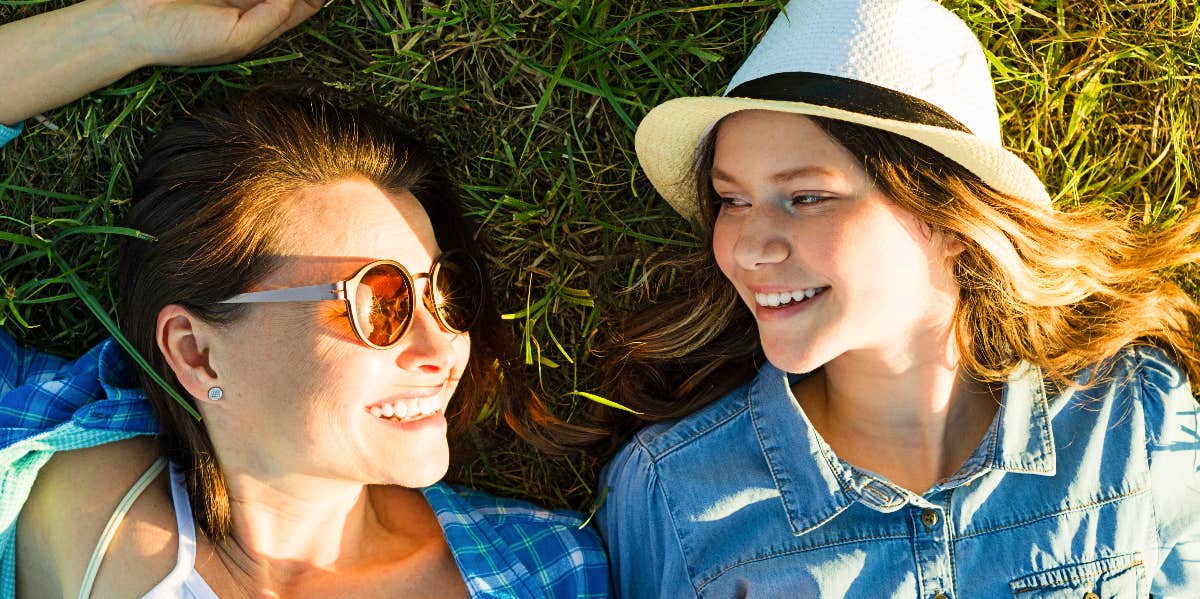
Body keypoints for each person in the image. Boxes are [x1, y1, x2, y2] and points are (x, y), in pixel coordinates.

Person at [592, 0, 1200, 596]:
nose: (749, 248)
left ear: (952, 221)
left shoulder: (1133, 419)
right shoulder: (671, 494)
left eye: (806, 197)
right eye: (732, 200)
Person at [1, 4, 609, 598]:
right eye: (380, 302)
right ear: (197, 354)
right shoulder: (50, 479)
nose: (441, 347)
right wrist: (128, 25)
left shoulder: (553, 571)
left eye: (444, 293)